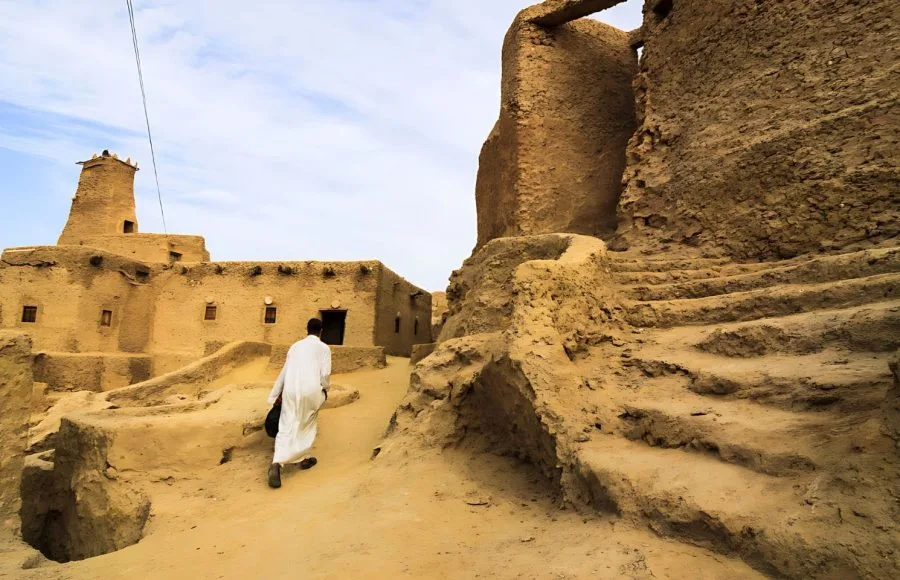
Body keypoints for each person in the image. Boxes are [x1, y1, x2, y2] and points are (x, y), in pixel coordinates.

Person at [266, 317, 331, 488]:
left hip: (291, 390)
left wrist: (275, 392)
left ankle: (277, 462)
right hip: (311, 391)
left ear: (306, 329)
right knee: (306, 424)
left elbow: (284, 371)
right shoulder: (324, 348)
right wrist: (325, 389)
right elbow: (325, 374)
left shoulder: (295, 347)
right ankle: (302, 459)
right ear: (321, 331)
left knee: (287, 424)